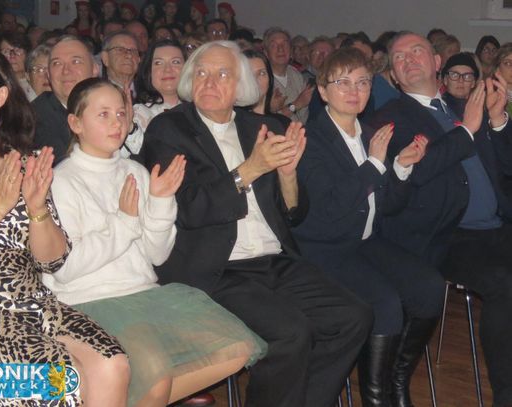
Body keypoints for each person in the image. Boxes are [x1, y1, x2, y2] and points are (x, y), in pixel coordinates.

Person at [139, 40, 372, 407]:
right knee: (291, 333)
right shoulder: (169, 130)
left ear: (241, 86)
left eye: (222, 74)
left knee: (353, 317)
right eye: (201, 73)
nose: (209, 82)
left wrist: (288, 176)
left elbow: (293, 213)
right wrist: (249, 170)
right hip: (217, 268)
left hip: (274, 261)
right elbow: (188, 209)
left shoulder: (262, 127)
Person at [45, 77, 264, 407]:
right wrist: (124, 221)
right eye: (103, 114)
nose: (116, 123)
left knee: (236, 349)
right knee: (155, 374)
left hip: (143, 294)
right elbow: (66, 269)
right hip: (89, 300)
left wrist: (161, 202)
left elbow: (156, 255)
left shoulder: (135, 171)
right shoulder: (62, 180)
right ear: (76, 123)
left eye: (121, 113)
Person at [0, 40, 129, 407]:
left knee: (113, 364)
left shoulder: (24, 163)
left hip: (32, 305)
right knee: (58, 381)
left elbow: (51, 260)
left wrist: (37, 209)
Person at [293, 47, 444, 406]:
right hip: (324, 247)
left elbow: (388, 206)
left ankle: (396, 380)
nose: (354, 90)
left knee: (430, 287)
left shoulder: (370, 134)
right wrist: (375, 165)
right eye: (342, 82)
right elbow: (331, 210)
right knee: (385, 303)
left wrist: (401, 168)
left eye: (362, 82)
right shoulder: (310, 139)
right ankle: (376, 399)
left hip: (364, 242)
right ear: (323, 91)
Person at [371, 31, 512, 407]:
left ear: (436, 63)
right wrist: (467, 129)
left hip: (498, 224)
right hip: (449, 235)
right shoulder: (389, 119)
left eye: (417, 51)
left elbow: (506, 166)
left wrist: (498, 120)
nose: (408, 59)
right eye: (399, 57)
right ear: (393, 75)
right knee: (504, 282)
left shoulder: (461, 105)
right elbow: (416, 171)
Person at [33, 35, 99, 166]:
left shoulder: (107, 107)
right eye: (57, 63)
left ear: (94, 70)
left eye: (76, 61)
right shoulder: (34, 118)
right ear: (48, 75)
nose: (66, 71)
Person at [129, 40, 185, 158]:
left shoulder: (199, 109)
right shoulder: (138, 114)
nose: (168, 69)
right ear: (148, 72)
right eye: (158, 63)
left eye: (175, 62)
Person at [264, 27, 313, 123]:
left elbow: (305, 115)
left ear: (291, 51)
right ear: (266, 53)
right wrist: (295, 105)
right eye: (274, 45)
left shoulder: (296, 75)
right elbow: (265, 120)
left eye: (285, 44)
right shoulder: (261, 79)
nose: (280, 49)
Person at [243, 49, 291, 129]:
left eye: (262, 73)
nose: (255, 80)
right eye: (249, 74)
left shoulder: (283, 122)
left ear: (270, 79)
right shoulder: (234, 123)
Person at [0, 32, 36, 101]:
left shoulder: (36, 81)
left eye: (17, 51)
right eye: (6, 52)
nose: (12, 56)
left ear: (27, 54)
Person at [101, 30, 140, 98]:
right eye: (120, 50)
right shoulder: (96, 94)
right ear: (105, 58)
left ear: (139, 59)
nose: (129, 55)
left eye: (133, 51)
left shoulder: (150, 93)